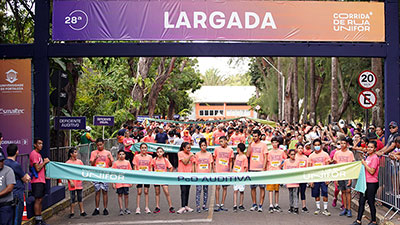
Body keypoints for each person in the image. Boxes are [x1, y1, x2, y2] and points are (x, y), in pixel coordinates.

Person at [351, 141, 380, 225]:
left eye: (371, 147)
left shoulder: (375, 158)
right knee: (361, 201)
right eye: (368, 147)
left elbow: (372, 171)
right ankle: (358, 220)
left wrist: (364, 163)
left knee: (371, 201)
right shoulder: (368, 157)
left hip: (372, 183)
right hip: (364, 182)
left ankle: (373, 221)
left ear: (374, 149)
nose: (369, 149)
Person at [5, 144, 31, 225]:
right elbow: (24, 178)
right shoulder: (15, 165)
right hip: (17, 194)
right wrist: (27, 176)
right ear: (17, 152)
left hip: (6, 195)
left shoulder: (4, 163)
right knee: (17, 218)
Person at [90, 138, 114, 216]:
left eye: (101, 145)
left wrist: (110, 159)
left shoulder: (108, 153)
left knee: (105, 191)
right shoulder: (93, 153)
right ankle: (97, 208)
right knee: (97, 191)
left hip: (105, 174)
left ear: (103, 144)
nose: (99, 146)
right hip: (96, 174)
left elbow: (110, 165)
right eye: (98, 145)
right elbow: (92, 164)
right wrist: (95, 158)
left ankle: (105, 208)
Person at [246, 130, 268, 212]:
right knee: (253, 187)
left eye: (255, 136)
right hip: (252, 168)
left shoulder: (263, 145)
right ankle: (254, 204)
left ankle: (260, 205)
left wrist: (264, 167)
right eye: (253, 136)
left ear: (259, 136)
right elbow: (247, 155)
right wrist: (249, 144)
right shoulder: (251, 144)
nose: (254, 138)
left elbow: (266, 156)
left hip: (261, 169)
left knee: (262, 187)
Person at [308, 139, 331, 216]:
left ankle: (325, 209)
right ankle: (318, 208)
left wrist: (328, 178)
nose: (317, 146)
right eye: (315, 145)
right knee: (316, 193)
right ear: (313, 146)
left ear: (321, 145)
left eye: (318, 145)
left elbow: (328, 167)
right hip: (315, 177)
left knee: (325, 193)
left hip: (323, 177)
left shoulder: (325, 155)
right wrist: (311, 180)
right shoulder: (311, 156)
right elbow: (309, 168)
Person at [30, 138, 50, 225]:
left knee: (40, 199)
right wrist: (45, 162)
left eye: (42, 143)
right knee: (37, 200)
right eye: (39, 143)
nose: (41, 145)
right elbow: (37, 168)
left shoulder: (39, 154)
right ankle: (38, 220)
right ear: (35, 145)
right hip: (36, 181)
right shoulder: (34, 154)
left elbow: (41, 168)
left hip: (42, 180)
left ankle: (40, 218)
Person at [333, 138, 355, 218]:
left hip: (347, 174)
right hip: (340, 174)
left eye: (344, 143)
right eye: (341, 143)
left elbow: (351, 166)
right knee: (343, 191)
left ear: (347, 144)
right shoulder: (337, 153)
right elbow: (335, 166)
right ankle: (345, 208)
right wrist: (336, 178)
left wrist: (350, 178)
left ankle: (349, 209)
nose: (342, 145)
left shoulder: (350, 153)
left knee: (348, 191)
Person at [151, 147, 175, 214]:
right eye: (158, 152)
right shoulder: (154, 160)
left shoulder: (165, 160)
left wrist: (168, 175)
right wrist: (151, 174)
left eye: (161, 152)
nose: (159, 153)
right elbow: (151, 166)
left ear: (163, 152)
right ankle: (157, 207)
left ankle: (171, 206)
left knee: (166, 192)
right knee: (157, 192)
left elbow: (171, 167)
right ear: (156, 153)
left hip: (164, 178)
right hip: (156, 178)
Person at [266, 136, 287, 213]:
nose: (274, 144)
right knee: (270, 189)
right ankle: (271, 204)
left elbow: (285, 159)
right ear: (271, 143)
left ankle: (276, 204)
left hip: (278, 171)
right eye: (273, 142)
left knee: (277, 189)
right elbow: (267, 161)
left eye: (276, 142)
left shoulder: (281, 152)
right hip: (271, 171)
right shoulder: (269, 152)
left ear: (278, 143)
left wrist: (281, 166)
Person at [213, 136, 234, 212]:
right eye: (220, 141)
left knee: (224, 187)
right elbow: (214, 158)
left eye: (222, 141)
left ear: (226, 141)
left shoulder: (230, 150)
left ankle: (222, 203)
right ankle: (217, 203)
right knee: (217, 187)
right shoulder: (217, 149)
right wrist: (214, 168)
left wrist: (230, 169)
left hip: (226, 171)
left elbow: (231, 160)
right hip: (218, 170)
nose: (221, 143)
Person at [65, 148, 86, 218]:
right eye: (75, 152)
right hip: (72, 183)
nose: (76, 154)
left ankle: (82, 211)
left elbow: (83, 170)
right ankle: (72, 212)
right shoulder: (67, 163)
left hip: (78, 182)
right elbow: (66, 173)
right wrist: (70, 181)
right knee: (72, 198)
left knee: (80, 197)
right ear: (71, 154)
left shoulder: (79, 162)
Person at [194, 139, 213, 213]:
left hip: (206, 174)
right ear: (200, 146)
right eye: (202, 145)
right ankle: (198, 206)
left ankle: (204, 205)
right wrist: (196, 173)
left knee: (206, 190)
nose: (203, 147)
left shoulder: (209, 154)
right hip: (199, 174)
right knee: (198, 190)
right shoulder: (197, 154)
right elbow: (195, 164)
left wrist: (210, 173)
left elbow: (210, 164)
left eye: (204, 145)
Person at [133, 143, 153, 214]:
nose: (144, 149)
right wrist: (136, 175)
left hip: (147, 176)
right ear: (140, 149)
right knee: (139, 192)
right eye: (142, 148)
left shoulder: (150, 157)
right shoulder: (136, 156)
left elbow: (151, 167)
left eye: (145, 148)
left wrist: (151, 175)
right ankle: (138, 207)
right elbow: (135, 166)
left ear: (147, 149)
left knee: (146, 191)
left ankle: (146, 207)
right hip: (139, 176)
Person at [112, 150, 133, 215]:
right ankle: (121, 209)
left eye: (123, 154)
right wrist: (113, 183)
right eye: (120, 154)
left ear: (125, 155)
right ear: (118, 155)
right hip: (119, 182)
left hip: (126, 181)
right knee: (119, 195)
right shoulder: (115, 163)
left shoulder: (127, 162)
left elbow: (130, 172)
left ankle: (126, 208)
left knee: (126, 195)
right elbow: (113, 173)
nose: (121, 156)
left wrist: (131, 181)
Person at [177, 142, 195, 214]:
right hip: (182, 174)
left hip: (189, 174)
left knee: (187, 190)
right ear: (183, 148)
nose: (189, 149)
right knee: (183, 190)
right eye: (187, 148)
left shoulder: (191, 154)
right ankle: (182, 206)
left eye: (190, 148)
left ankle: (186, 205)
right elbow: (185, 162)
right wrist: (190, 156)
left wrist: (193, 173)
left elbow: (193, 164)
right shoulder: (180, 153)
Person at [0, 151, 16, 225]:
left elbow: (10, 188)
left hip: (5, 205)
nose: (1, 163)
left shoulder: (8, 170)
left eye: (2, 161)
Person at [283, 149, 300, 214]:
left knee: (295, 194)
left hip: (295, 181)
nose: (293, 156)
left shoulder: (297, 161)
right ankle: (291, 206)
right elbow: (285, 170)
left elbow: (299, 170)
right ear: (289, 155)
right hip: (289, 180)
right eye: (291, 154)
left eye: (294, 154)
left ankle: (296, 207)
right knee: (290, 194)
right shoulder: (286, 161)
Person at [233, 143, 248, 212]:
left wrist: (243, 175)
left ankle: (241, 204)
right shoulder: (237, 156)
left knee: (241, 191)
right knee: (235, 190)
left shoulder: (244, 157)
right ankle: (235, 204)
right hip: (236, 174)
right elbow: (235, 164)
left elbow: (245, 167)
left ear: (239, 149)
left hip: (241, 176)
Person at [295, 143, 309, 213]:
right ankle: (295, 205)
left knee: (302, 192)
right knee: (295, 192)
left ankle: (304, 206)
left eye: (301, 148)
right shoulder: (294, 157)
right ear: (296, 149)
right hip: (296, 177)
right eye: (299, 148)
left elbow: (307, 167)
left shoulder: (305, 158)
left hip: (303, 177)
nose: (300, 150)